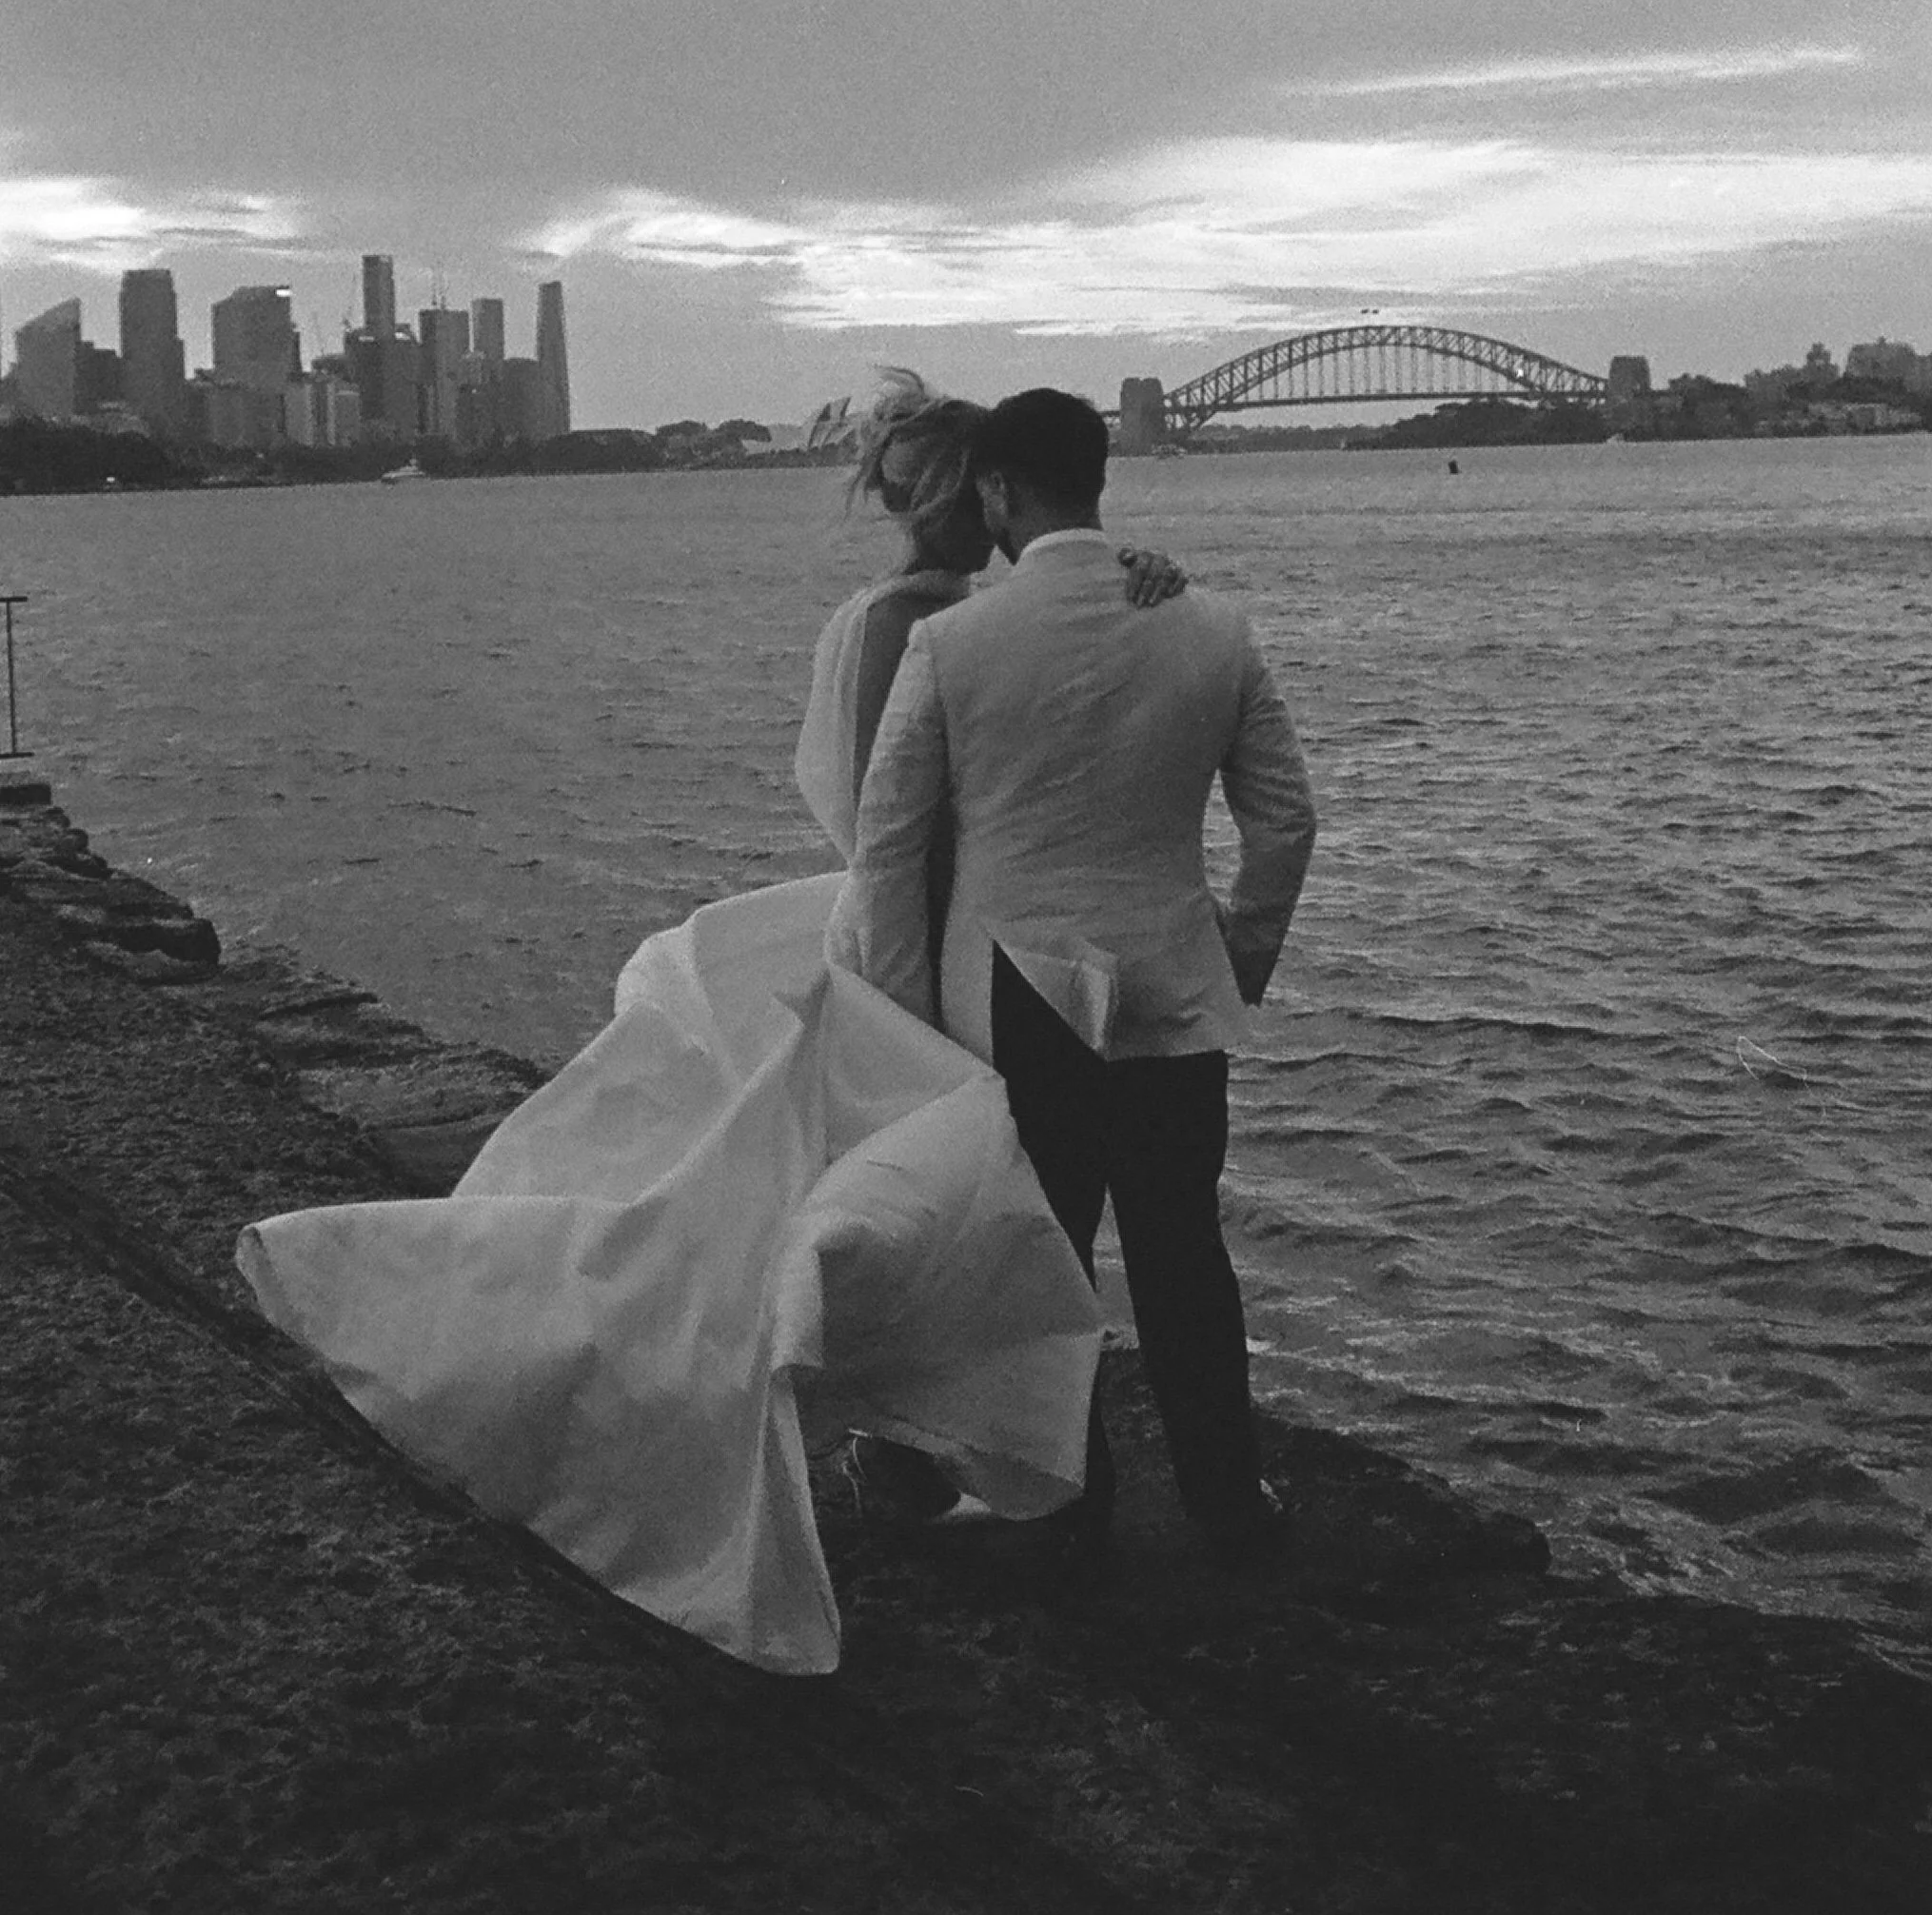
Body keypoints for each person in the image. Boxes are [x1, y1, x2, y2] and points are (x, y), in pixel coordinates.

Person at [236, 373, 1183, 1674]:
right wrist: (914, 988)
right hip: (921, 957)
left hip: (962, 949)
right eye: (977, 490)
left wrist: (1141, 576)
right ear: (951, 496)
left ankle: (928, 1461)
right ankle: (930, 1460)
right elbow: (890, 825)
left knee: (896, 1207)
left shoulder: (956, 616)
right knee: (898, 1205)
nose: (992, 510)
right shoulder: (905, 624)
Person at [844, 386, 1316, 1570]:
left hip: (1012, 997)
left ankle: (1066, 1502)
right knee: (1182, 1251)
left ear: (1000, 489)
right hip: (1171, 985)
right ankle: (1225, 1496)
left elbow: (888, 849)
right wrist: (1237, 957)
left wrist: (903, 1019)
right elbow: (1284, 825)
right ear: (1100, 476)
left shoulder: (952, 644)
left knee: (1035, 1262)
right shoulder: (1212, 627)